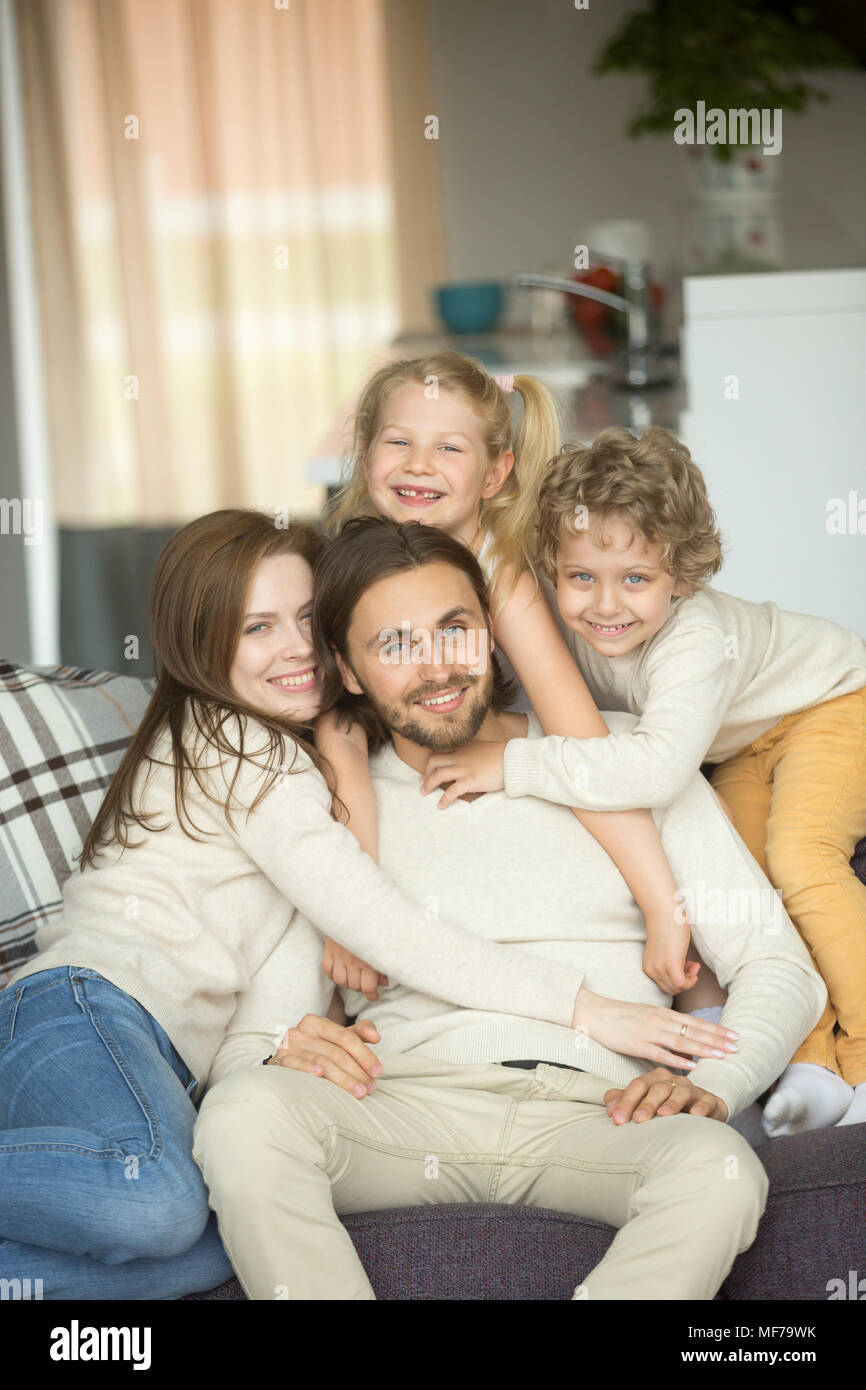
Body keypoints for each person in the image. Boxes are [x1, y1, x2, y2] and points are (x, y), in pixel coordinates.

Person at [191, 516, 826, 1301]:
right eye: (393, 644)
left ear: (491, 633)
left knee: (721, 1166)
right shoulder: (327, 810)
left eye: (455, 629)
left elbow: (780, 966)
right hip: (401, 1104)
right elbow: (251, 1043)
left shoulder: (623, 757)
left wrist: (717, 1085)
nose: (437, 667)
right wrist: (284, 1051)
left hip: (601, 1110)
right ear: (347, 672)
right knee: (244, 1115)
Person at [0, 509, 605, 1300]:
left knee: (218, 1238)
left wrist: (275, 1056)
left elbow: (277, 993)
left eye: (308, 621)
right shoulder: (234, 741)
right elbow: (380, 923)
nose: (293, 648)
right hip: (83, 1007)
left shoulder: (299, 772)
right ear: (202, 644)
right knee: (158, 1197)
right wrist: (585, 1008)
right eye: (257, 628)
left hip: (152, 1059)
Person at [429, 426, 866, 1136]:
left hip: (832, 704)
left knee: (801, 857)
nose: (606, 605)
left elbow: (657, 768)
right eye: (581, 579)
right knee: (748, 886)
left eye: (636, 579)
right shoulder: (574, 611)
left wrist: (513, 764)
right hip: (745, 743)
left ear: (682, 576)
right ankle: (813, 1062)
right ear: (553, 567)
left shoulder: (693, 638)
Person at [317, 351, 717, 1006]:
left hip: (547, 732)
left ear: (496, 473)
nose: (419, 464)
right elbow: (338, 729)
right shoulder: (347, 562)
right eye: (399, 443)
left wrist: (661, 905)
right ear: (366, 460)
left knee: (706, 832)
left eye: (449, 447)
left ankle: (708, 1005)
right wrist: (350, 912)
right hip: (415, 733)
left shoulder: (498, 572)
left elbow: (583, 740)